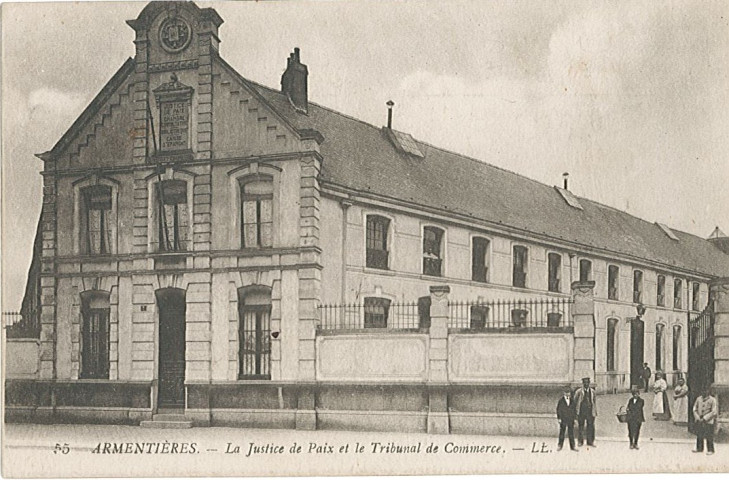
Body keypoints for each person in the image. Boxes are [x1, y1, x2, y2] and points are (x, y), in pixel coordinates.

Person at [692, 386, 718, 455]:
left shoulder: (712, 400)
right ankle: (699, 448)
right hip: (699, 419)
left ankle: (710, 449)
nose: (704, 392)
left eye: (706, 391)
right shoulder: (698, 399)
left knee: (709, 435)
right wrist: (697, 417)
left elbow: (714, 411)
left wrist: (705, 418)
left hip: (708, 420)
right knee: (699, 434)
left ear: (709, 392)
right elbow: (694, 408)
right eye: (703, 391)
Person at [573, 377, 597, 447]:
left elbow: (594, 402)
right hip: (581, 411)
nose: (586, 384)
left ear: (589, 383)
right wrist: (576, 411)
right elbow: (575, 401)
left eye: (587, 382)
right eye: (585, 383)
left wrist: (594, 411)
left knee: (591, 426)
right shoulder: (579, 392)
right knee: (581, 426)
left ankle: (590, 441)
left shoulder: (592, 392)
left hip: (590, 411)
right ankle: (580, 441)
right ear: (583, 383)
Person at [556, 386, 578, 451]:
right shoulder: (561, 401)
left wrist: (575, 419)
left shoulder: (572, 401)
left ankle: (572, 446)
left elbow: (574, 410)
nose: (568, 394)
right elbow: (558, 410)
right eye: (566, 392)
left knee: (571, 433)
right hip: (563, 419)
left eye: (569, 393)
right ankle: (560, 445)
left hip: (570, 419)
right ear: (564, 393)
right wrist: (559, 418)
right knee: (562, 433)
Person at [626, 385, 645, 449]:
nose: (635, 395)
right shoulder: (630, 400)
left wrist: (631, 410)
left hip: (638, 418)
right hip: (631, 418)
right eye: (634, 394)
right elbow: (628, 407)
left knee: (637, 431)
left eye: (636, 394)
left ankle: (636, 443)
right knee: (630, 431)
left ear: (639, 394)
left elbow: (638, 407)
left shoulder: (641, 401)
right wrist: (628, 410)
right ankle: (631, 443)